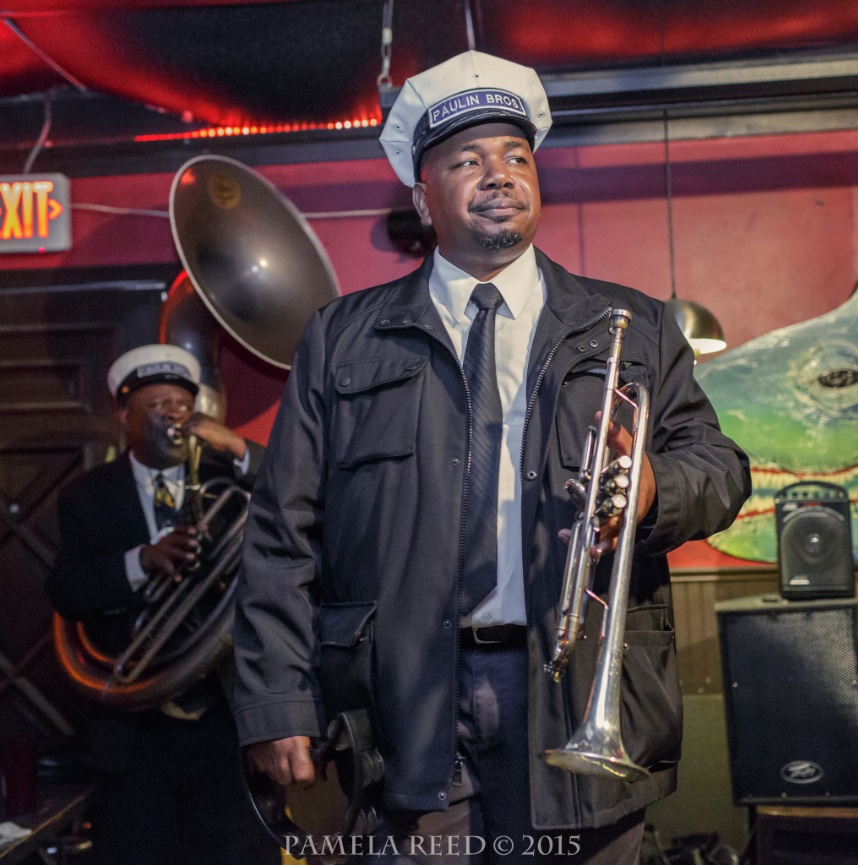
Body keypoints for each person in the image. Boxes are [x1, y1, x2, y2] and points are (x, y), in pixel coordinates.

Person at [233, 51, 751, 864]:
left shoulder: (630, 322)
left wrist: (655, 488)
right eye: (466, 160)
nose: (498, 174)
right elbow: (279, 534)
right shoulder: (343, 336)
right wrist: (276, 700)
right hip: (401, 699)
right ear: (421, 196)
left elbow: (719, 466)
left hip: (576, 689)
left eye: (515, 156)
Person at [46, 344, 278, 865]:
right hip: (136, 736)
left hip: (226, 720)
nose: (174, 415)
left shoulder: (227, 476)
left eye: (182, 404)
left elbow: (299, 494)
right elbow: (66, 590)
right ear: (123, 415)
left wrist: (236, 446)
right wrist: (139, 561)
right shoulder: (86, 494)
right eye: (157, 405)